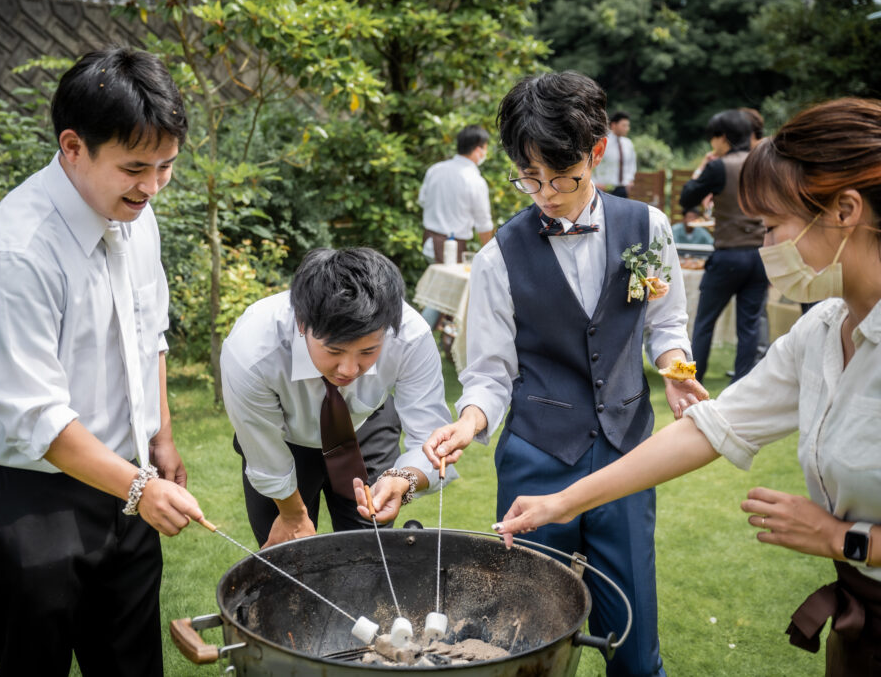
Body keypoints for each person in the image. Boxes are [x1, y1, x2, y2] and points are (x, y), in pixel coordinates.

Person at [486, 97, 881, 677]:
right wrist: (559, 503)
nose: (764, 244)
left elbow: (666, 326)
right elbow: (712, 427)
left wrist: (845, 538)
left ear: (845, 210)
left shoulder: (645, 227)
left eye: (771, 226)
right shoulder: (820, 331)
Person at [422, 72, 707, 677]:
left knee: (632, 636)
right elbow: (492, 372)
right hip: (536, 457)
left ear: (596, 152)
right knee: (525, 632)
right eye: (529, 179)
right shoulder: (500, 253)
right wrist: (470, 421)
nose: (546, 195)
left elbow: (666, 321)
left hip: (629, 454)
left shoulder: (647, 227)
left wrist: (674, 369)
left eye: (562, 178)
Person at [0, 47, 204, 676]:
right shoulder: (12, 253)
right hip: (28, 494)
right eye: (135, 167)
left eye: (166, 166)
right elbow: (38, 420)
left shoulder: (135, 214)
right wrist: (142, 488)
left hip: (126, 480)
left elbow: (151, 331)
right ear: (72, 146)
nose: (151, 186)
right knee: (33, 663)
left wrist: (160, 435)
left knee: (131, 663)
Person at [222, 247, 454, 547]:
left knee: (371, 550)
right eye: (334, 351)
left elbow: (431, 438)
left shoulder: (410, 336)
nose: (348, 370)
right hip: (283, 438)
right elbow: (264, 453)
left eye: (368, 352)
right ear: (302, 324)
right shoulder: (251, 350)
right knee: (290, 559)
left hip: (366, 423)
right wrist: (292, 514)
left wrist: (402, 479)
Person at [680, 109, 768, 383]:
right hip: (760, 255)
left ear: (724, 138)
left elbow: (687, 198)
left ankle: (693, 382)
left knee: (704, 323)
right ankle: (741, 386)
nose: (712, 144)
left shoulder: (720, 166)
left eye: (714, 138)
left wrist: (704, 167)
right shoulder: (763, 163)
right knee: (749, 327)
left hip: (729, 254)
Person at [418, 125, 494, 265]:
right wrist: (489, 255)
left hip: (428, 243)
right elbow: (483, 224)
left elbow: (422, 200)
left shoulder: (435, 169)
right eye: (485, 148)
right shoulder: (475, 180)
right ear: (478, 150)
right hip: (451, 250)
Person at [593, 111, 636, 199]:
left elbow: (632, 164)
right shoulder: (602, 143)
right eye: (624, 125)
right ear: (613, 125)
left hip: (623, 189)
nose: (627, 128)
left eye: (628, 126)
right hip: (603, 189)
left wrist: (630, 181)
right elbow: (592, 163)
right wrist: (594, 182)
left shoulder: (628, 144)